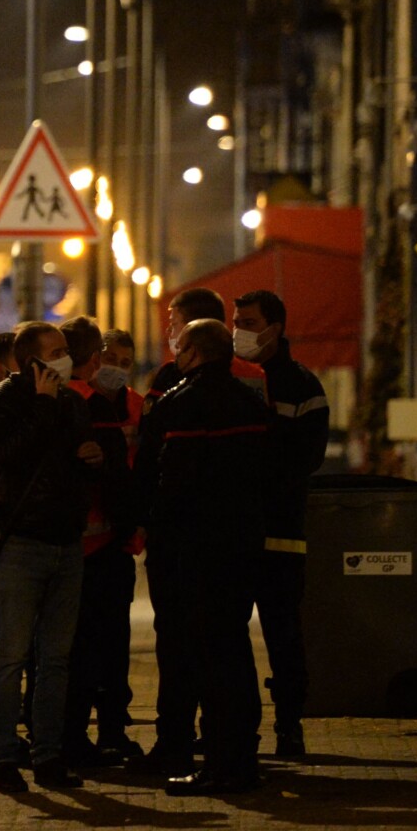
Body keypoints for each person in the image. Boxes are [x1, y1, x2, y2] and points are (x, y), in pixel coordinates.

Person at [135, 320, 284, 795]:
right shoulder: (250, 403)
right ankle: (241, 756)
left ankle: (222, 764)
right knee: (235, 650)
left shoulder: (182, 405)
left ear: (195, 353)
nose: (174, 354)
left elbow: (169, 482)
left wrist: (157, 530)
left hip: (198, 548)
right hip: (242, 543)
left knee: (208, 655)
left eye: (179, 347)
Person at [0, 321, 116, 792]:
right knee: (12, 656)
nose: (65, 358)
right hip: (21, 542)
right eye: (55, 351)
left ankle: (48, 755)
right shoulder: (3, 400)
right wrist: (40, 405)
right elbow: (4, 460)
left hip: (65, 542)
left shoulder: (73, 402)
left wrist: (91, 461)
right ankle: (3, 756)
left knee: (56, 658)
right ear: (29, 360)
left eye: (64, 351)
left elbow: (77, 470)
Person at [233, 289, 331, 757]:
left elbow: (307, 457)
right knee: (230, 637)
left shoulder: (301, 385)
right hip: (234, 531)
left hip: (281, 531)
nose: (240, 331)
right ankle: (240, 727)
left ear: (275, 327)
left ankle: (290, 725)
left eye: (248, 322)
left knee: (284, 635)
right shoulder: (231, 381)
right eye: (236, 321)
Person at [57, 317, 142, 767]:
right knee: (97, 647)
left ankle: (57, 736)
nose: (117, 368)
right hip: (99, 545)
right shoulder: (92, 406)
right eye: (110, 359)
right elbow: (117, 481)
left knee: (62, 648)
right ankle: (81, 737)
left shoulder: (36, 401)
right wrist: (130, 527)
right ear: (93, 358)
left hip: (57, 545)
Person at [147, 287, 267, 407]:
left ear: (196, 326)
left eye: (174, 324)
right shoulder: (256, 373)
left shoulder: (171, 374)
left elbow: (153, 422)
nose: (168, 331)